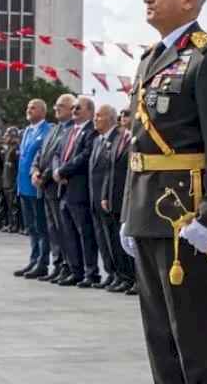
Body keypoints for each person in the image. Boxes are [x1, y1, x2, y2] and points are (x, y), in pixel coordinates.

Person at [120, 0, 207, 384]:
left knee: (194, 333)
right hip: (147, 213)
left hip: (185, 216)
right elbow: (137, 145)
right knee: (159, 334)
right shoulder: (150, 58)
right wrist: (127, 213)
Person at [54, 96, 100, 287]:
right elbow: (57, 153)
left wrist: (63, 170)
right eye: (72, 108)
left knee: (85, 234)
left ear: (89, 111)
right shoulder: (69, 131)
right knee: (69, 234)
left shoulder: (91, 132)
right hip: (64, 189)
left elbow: (85, 156)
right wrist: (57, 170)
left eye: (78, 108)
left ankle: (91, 273)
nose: (74, 110)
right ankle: (76, 271)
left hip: (79, 190)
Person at [32, 94, 76, 282]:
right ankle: (57, 265)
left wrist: (46, 174)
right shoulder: (53, 129)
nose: (57, 108)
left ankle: (67, 266)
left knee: (62, 229)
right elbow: (41, 153)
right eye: (56, 105)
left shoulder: (71, 130)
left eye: (61, 106)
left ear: (72, 109)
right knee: (52, 230)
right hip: (45, 186)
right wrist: (34, 170)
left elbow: (58, 157)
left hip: (56, 186)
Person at [14, 100, 54, 279]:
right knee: (31, 227)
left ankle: (42, 262)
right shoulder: (28, 131)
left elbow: (46, 157)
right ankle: (33, 258)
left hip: (36, 187)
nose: (28, 110)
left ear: (43, 112)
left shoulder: (47, 130)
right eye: (28, 107)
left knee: (41, 227)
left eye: (33, 108)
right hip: (23, 186)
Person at [88, 104, 123, 291]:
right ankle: (111, 272)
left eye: (99, 116)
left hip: (109, 198)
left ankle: (121, 274)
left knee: (114, 240)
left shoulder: (117, 139)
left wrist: (105, 195)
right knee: (103, 240)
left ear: (110, 118)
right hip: (96, 198)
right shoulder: (97, 141)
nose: (95, 119)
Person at [103, 109, 135, 294]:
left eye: (128, 115)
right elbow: (110, 169)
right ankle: (123, 276)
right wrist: (105, 195)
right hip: (114, 198)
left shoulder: (136, 139)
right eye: (122, 116)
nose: (124, 118)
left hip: (128, 197)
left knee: (132, 242)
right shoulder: (119, 139)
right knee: (118, 241)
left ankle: (134, 278)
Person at [2, 127, 23, 233]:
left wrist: (16, 182)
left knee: (14, 206)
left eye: (7, 135)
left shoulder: (16, 149)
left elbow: (18, 167)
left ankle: (16, 225)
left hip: (13, 181)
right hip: (7, 181)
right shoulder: (8, 149)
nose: (5, 137)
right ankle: (11, 224)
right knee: (9, 206)